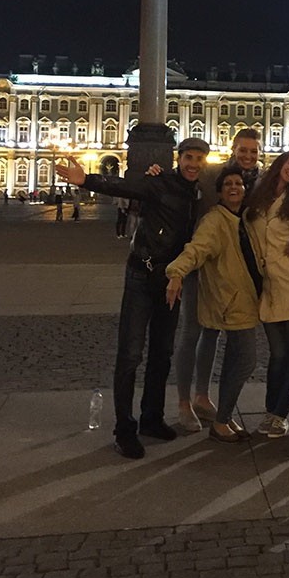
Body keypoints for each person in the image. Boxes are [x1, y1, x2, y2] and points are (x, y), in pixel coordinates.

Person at [54, 137, 209, 460]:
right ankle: (124, 429)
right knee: (130, 355)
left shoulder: (200, 192)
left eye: (199, 159)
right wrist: (87, 181)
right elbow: (126, 188)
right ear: (179, 158)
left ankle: (151, 418)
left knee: (162, 353)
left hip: (171, 280)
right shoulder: (158, 183)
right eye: (189, 157)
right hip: (141, 274)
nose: (194, 163)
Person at [170, 129, 263, 432]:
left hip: (229, 265)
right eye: (243, 150)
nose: (247, 156)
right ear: (233, 149)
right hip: (201, 254)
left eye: (253, 151)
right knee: (193, 329)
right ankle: (185, 402)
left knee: (212, 331)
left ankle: (202, 397)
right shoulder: (212, 174)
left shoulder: (260, 182)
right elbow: (183, 174)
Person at [245, 149, 289, 439]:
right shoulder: (260, 195)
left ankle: (278, 413)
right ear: (281, 163)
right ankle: (272, 410)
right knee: (277, 353)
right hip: (267, 286)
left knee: (288, 353)